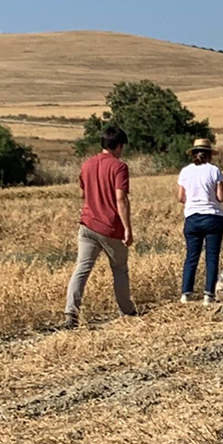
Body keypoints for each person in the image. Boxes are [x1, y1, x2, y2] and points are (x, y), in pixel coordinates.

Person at [64, 126, 136, 328]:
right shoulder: (119, 167)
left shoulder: (87, 164)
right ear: (119, 146)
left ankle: (71, 312)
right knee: (120, 269)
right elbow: (120, 198)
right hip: (110, 227)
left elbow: (83, 194)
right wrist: (128, 228)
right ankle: (127, 311)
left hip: (87, 224)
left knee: (82, 269)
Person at [177, 138, 223, 305]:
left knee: (191, 256)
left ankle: (186, 294)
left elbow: (180, 197)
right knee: (211, 257)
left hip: (192, 218)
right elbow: (221, 197)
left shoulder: (185, 171)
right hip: (213, 217)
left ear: (193, 154)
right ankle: (208, 295)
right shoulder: (214, 171)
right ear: (209, 155)